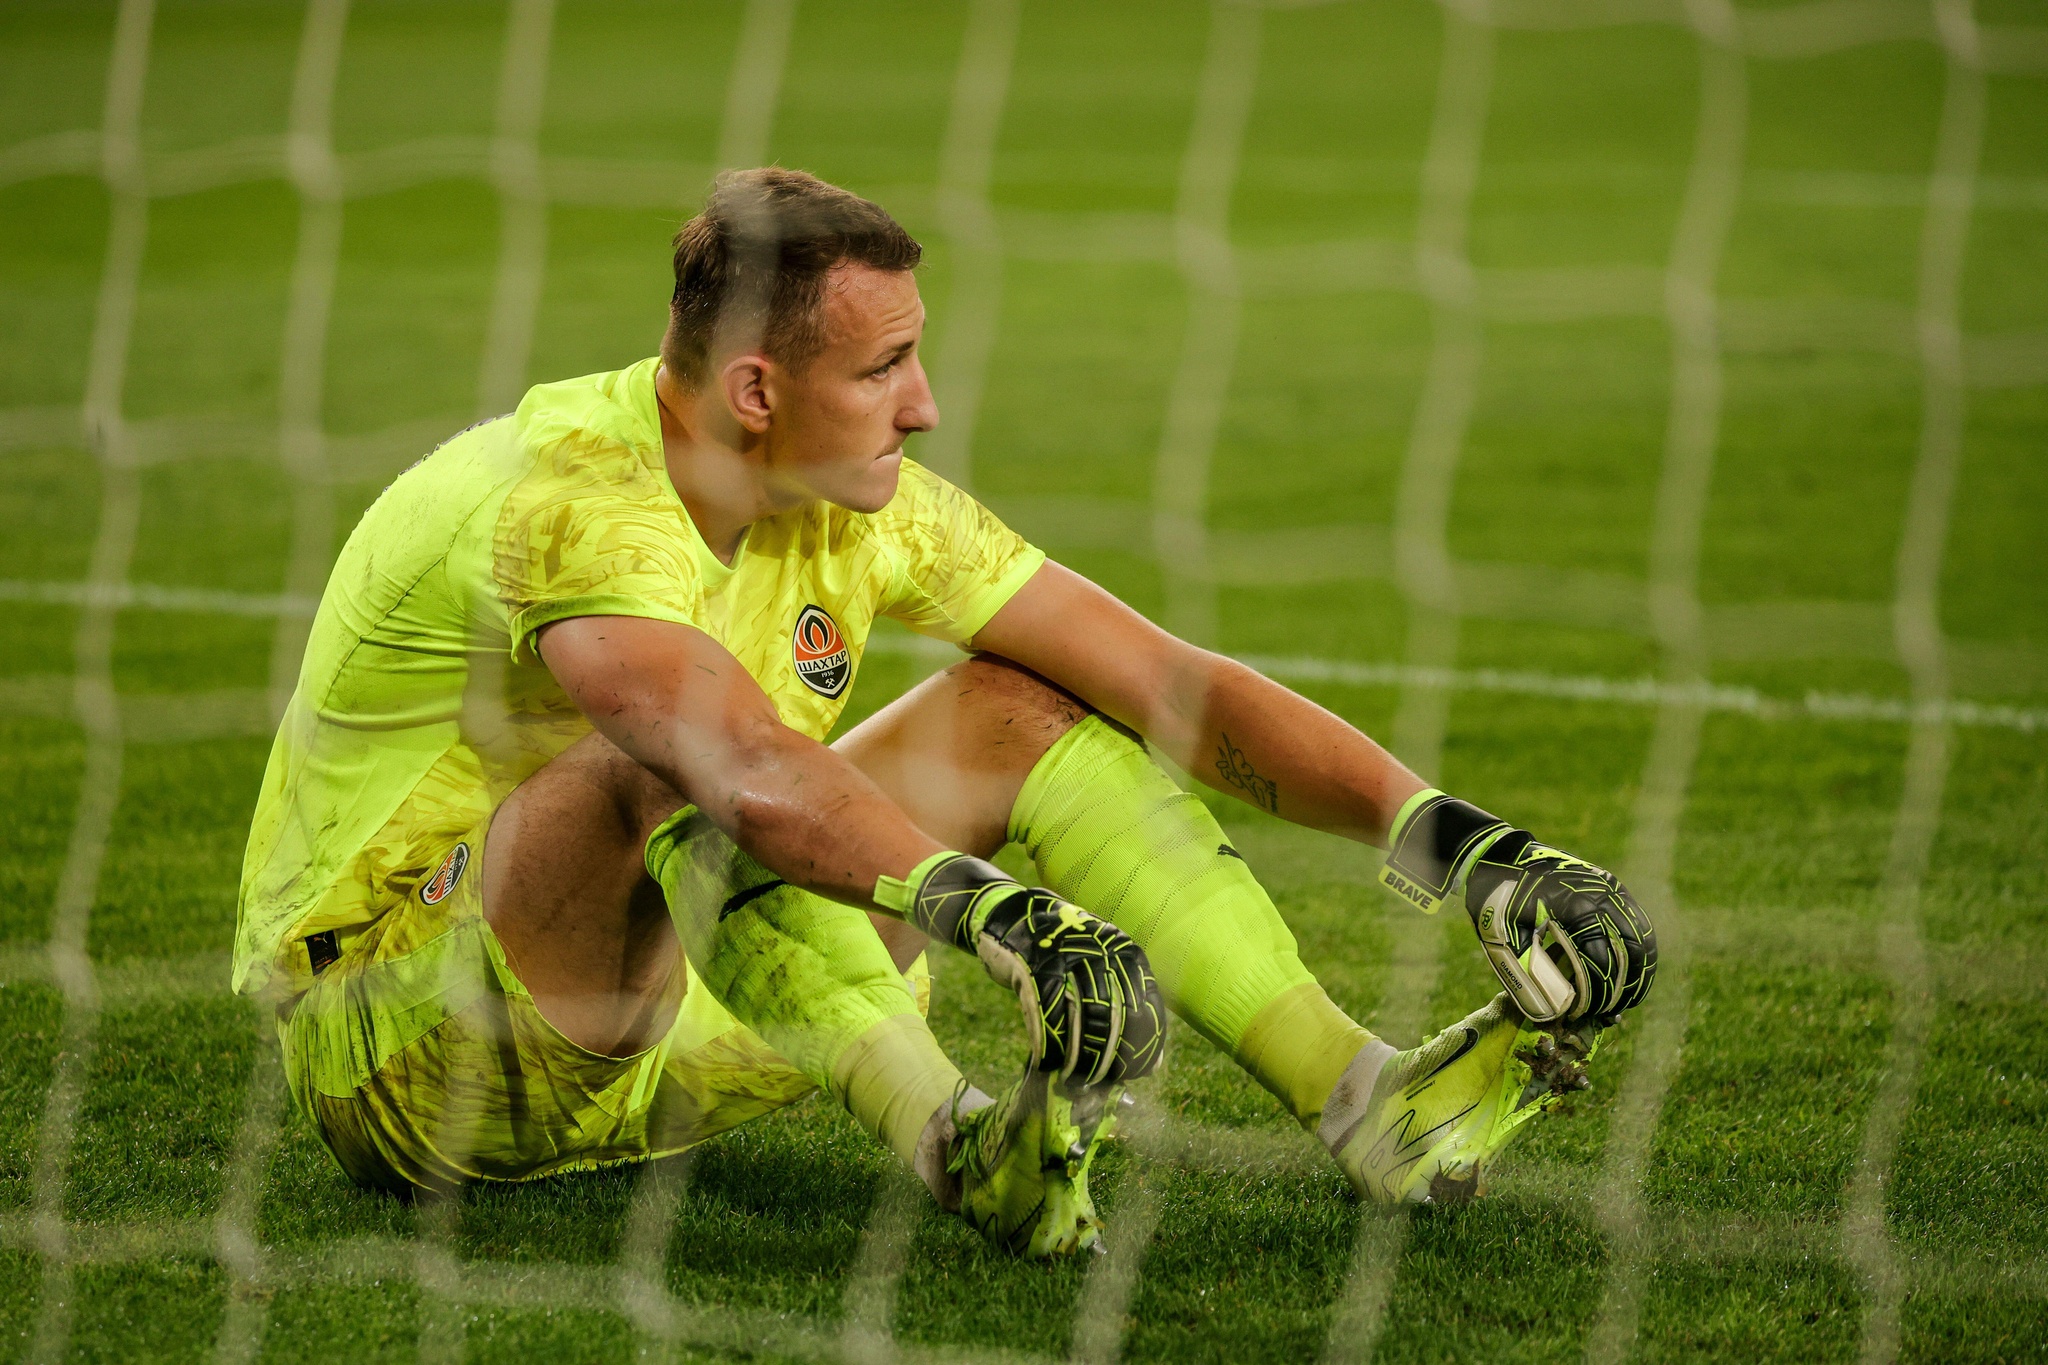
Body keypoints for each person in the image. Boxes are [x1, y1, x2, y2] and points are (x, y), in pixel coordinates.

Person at [236, 167, 1655, 1258]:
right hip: (415, 1050)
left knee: (1021, 704)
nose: (922, 405)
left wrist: (1464, 846)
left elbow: (1170, 683)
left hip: (709, 1025)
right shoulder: (569, 501)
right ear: (752, 388)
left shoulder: (861, 506)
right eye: (881, 368)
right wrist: (990, 908)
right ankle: (954, 1131)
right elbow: (719, 761)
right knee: (675, 762)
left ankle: (1366, 1103)